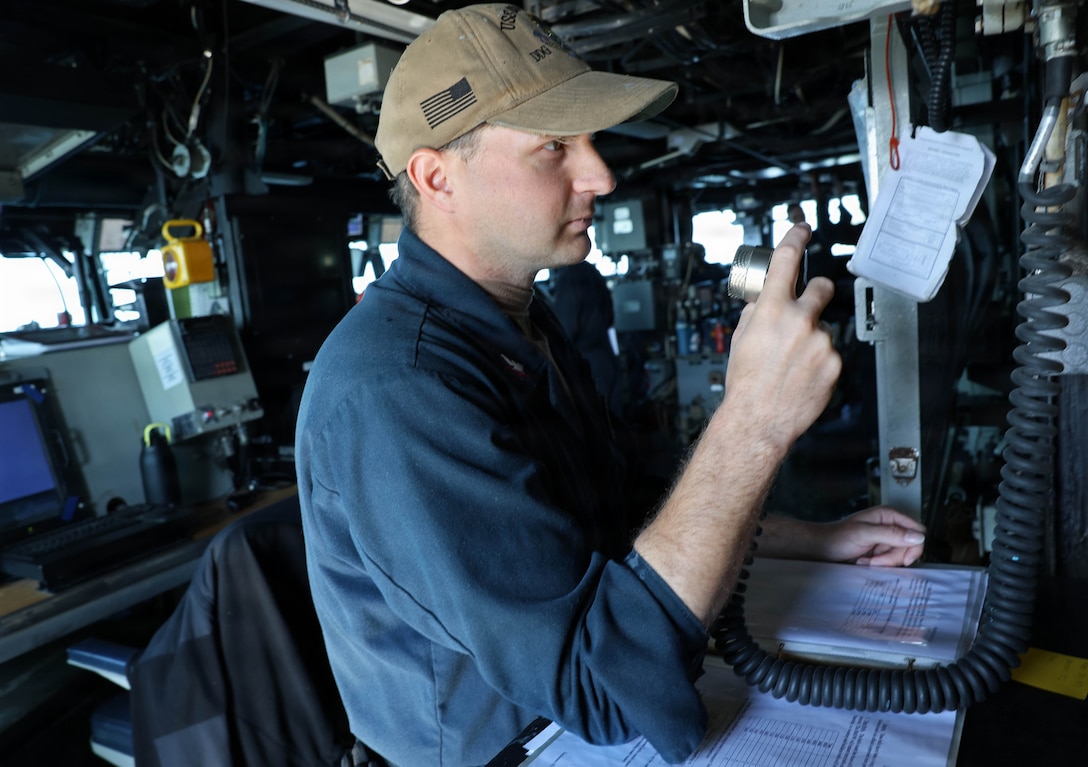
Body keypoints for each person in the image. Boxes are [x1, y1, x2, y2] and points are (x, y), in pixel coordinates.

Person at [296, 5, 926, 766]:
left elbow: (616, 510)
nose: (601, 174)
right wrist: (753, 419)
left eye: (590, 142)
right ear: (437, 177)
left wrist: (806, 542)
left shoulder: (520, 320)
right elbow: (602, 688)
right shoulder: (398, 387)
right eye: (554, 147)